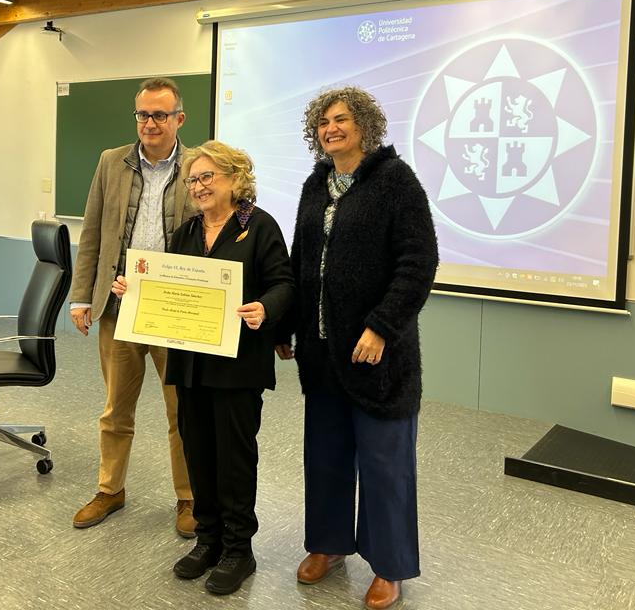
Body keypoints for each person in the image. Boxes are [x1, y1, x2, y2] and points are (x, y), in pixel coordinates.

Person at [276, 86, 438, 610]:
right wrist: (288, 326)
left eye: (341, 119)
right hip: (321, 356)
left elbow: (418, 263)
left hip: (378, 358)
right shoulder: (314, 185)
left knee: (385, 465)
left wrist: (381, 327)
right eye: (323, 123)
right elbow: (302, 263)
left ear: (364, 124)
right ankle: (328, 545)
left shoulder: (396, 182)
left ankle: (389, 566)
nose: (330, 129)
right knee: (325, 458)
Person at [111, 141, 294, 595]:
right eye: (193, 179)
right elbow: (166, 286)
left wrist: (265, 310)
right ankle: (208, 540)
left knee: (234, 456)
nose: (198, 186)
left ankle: (238, 549)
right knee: (198, 450)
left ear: (235, 178)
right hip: (190, 364)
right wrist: (130, 290)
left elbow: (285, 283)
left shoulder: (260, 226)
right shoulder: (188, 231)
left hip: (237, 367)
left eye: (207, 177)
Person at [70, 77, 199, 537]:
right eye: (143, 114)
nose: (149, 123)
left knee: (181, 410)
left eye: (160, 115)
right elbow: (92, 233)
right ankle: (110, 489)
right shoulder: (111, 162)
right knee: (115, 409)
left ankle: (188, 498)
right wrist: (82, 296)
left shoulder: (199, 167)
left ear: (179, 119)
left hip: (175, 310)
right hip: (117, 306)